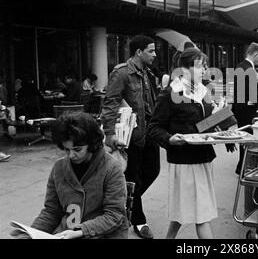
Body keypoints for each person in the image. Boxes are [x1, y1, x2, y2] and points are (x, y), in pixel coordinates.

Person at [148, 48, 218, 239]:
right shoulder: (171, 93)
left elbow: (203, 124)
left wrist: (221, 128)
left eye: (204, 66)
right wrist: (169, 139)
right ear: (184, 69)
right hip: (185, 161)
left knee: (184, 209)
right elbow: (154, 128)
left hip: (203, 157)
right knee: (201, 215)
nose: (204, 70)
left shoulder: (203, 90)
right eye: (199, 66)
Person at [28, 112, 128, 239]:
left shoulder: (111, 167)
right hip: (67, 233)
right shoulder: (59, 168)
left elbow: (114, 215)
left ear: (91, 145)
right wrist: (30, 233)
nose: (71, 155)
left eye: (77, 150)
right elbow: (52, 211)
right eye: (66, 149)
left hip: (103, 234)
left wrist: (81, 231)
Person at [101, 34, 160, 239]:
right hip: (130, 136)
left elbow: (151, 103)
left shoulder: (148, 73)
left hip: (149, 133)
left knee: (153, 170)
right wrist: (109, 134)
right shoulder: (122, 73)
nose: (155, 54)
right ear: (138, 52)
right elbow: (110, 103)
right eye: (151, 50)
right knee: (133, 177)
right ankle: (138, 220)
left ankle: (124, 203)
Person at [232, 42, 258, 175]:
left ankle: (241, 166)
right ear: (256, 54)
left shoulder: (241, 66)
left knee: (243, 139)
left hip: (241, 108)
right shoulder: (249, 69)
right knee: (248, 139)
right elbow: (251, 95)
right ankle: (243, 167)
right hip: (247, 110)